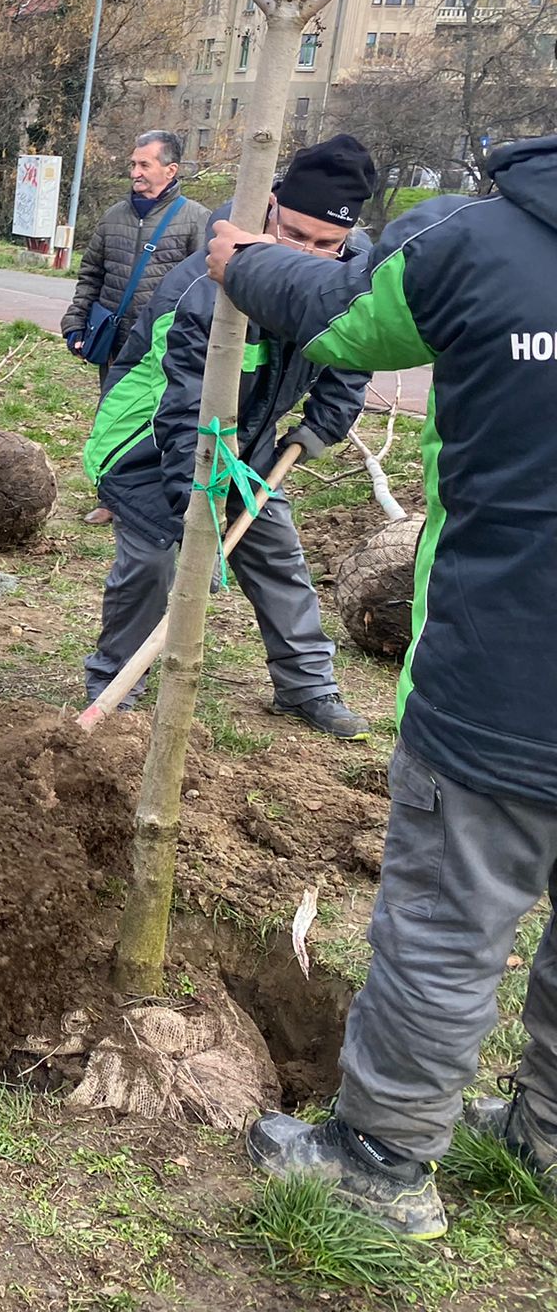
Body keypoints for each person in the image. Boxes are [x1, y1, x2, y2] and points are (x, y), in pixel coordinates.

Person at [206, 131, 557, 1238]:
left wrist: (238, 260)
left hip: (509, 670)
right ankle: (546, 1132)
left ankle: (377, 1161)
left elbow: (345, 314)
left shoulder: (483, 241)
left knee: (446, 922)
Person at [79, 136, 374, 739]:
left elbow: (353, 356)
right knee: (155, 559)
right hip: (147, 441)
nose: (309, 256)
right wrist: (200, 505)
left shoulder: (349, 276)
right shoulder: (207, 287)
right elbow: (182, 404)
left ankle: (306, 687)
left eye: (326, 244)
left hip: (251, 440)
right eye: (293, 235)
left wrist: (321, 427)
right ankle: (114, 686)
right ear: (268, 209)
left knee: (277, 556)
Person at [63, 131, 210, 524]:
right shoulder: (113, 217)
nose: (135, 172)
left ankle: (163, 499)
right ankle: (112, 498)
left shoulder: (196, 219)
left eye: (144, 164)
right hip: (116, 342)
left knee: (166, 419)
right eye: (133, 164)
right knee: (114, 416)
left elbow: (207, 285)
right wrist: (76, 320)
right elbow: (91, 274)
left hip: (169, 346)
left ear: (171, 169)